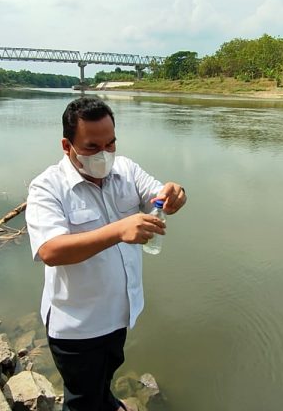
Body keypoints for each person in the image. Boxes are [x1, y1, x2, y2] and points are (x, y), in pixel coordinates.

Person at [26, 97, 187, 411]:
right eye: (91, 147)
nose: (104, 154)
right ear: (66, 145)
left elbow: (158, 195)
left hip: (119, 314)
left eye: (110, 143)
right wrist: (117, 231)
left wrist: (175, 194)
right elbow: (50, 250)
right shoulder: (47, 188)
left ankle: (108, 401)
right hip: (78, 326)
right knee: (81, 400)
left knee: (105, 377)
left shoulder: (125, 169)